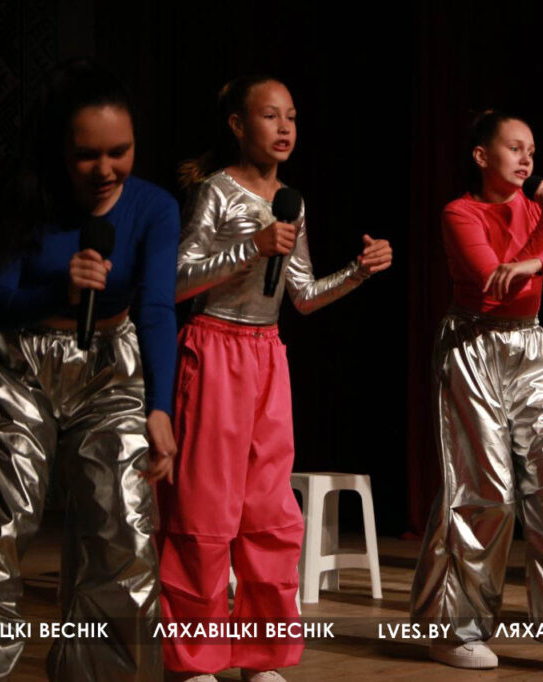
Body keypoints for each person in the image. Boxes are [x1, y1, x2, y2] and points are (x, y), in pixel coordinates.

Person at [0, 59, 178, 682]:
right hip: (21, 362)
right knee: (4, 521)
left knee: (124, 526)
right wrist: (61, 290)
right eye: (87, 155)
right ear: (59, 149)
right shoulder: (22, 198)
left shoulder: (155, 208)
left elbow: (158, 309)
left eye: (119, 152)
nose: (105, 169)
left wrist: (161, 407)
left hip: (111, 366)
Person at [155, 75, 392, 682]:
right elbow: (175, 281)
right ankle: (196, 659)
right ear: (238, 125)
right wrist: (251, 248)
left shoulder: (292, 201)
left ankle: (261, 656)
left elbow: (304, 296)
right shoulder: (216, 191)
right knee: (205, 511)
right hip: (213, 350)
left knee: (269, 512)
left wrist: (358, 272)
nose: (285, 128)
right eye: (270, 116)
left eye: (292, 116)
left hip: (267, 356)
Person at [410, 110, 543, 672]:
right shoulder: (461, 211)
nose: (527, 159)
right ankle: (455, 629)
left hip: (530, 348)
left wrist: (538, 254)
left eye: (531, 150)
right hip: (474, 345)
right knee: (486, 490)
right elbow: (492, 283)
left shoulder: (539, 208)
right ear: (482, 156)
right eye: (514, 148)